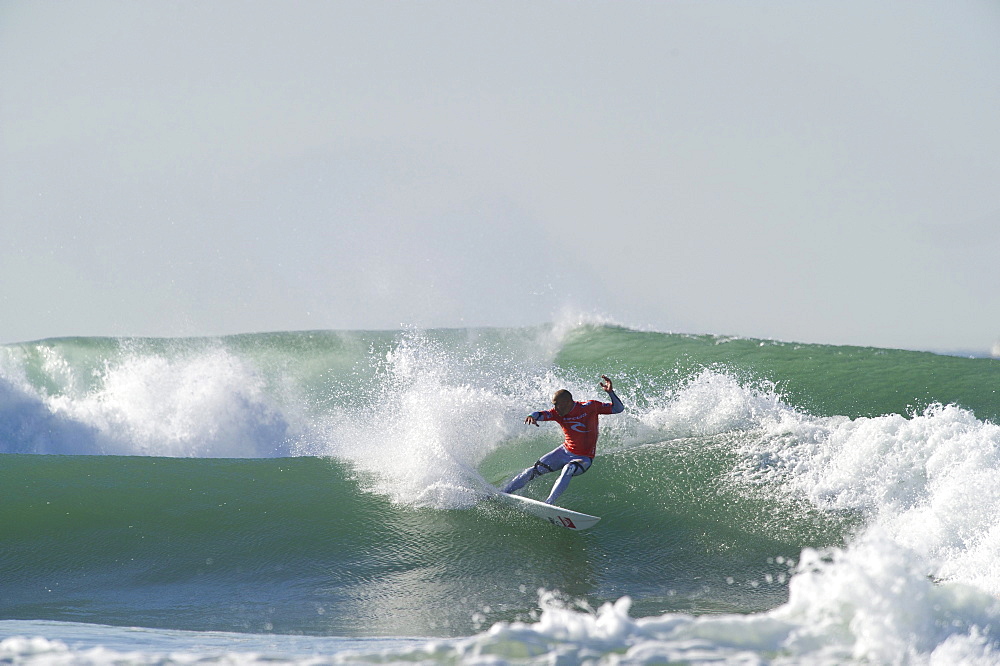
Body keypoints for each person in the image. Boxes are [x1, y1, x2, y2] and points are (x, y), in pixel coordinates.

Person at [501, 375, 624, 504]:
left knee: (568, 469)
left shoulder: (590, 407)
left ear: (566, 402)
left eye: (556, 405)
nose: (554, 408)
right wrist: (532, 416)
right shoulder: (557, 413)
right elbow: (540, 414)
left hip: (584, 458)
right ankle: (503, 492)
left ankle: (549, 503)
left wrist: (610, 392)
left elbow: (618, 409)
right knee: (534, 470)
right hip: (564, 452)